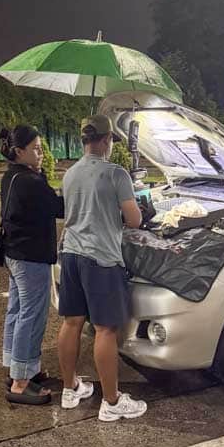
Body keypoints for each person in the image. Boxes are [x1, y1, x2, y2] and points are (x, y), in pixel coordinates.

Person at [57, 114, 147, 422]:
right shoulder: (115, 174)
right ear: (107, 140)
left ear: (84, 140)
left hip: (71, 255)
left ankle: (70, 389)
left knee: (71, 323)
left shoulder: (70, 174)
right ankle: (112, 402)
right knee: (105, 329)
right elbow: (134, 220)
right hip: (101, 260)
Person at [0, 124, 64, 405]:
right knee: (32, 315)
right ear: (18, 151)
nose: (41, 153)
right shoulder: (30, 182)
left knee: (17, 311)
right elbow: (59, 207)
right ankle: (21, 383)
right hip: (31, 257)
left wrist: (40, 172)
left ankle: (17, 369)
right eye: (36, 149)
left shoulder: (11, 176)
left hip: (15, 254)